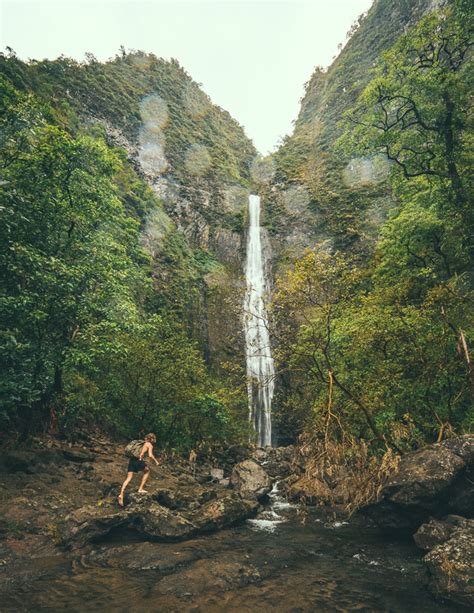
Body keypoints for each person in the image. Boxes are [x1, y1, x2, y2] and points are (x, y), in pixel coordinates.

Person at [118, 433, 160, 507]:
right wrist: (156, 461)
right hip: (138, 460)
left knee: (128, 478)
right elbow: (150, 455)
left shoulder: (141, 443)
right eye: (153, 439)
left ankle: (121, 494)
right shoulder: (149, 445)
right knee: (147, 471)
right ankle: (140, 489)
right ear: (152, 439)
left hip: (132, 460)